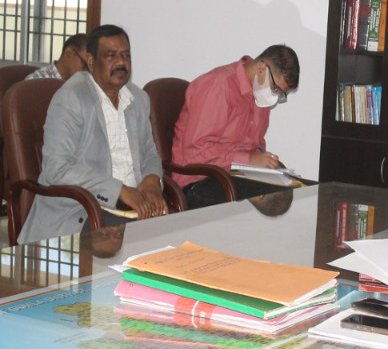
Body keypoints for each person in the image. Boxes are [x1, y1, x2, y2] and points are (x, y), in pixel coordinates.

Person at [18, 24, 166, 244]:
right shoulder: (71, 98)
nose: (121, 62)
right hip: (82, 209)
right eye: (111, 55)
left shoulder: (138, 98)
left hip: (131, 206)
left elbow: (150, 153)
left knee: (174, 232)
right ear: (91, 61)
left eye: (126, 55)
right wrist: (119, 191)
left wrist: (153, 179)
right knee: (142, 241)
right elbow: (57, 170)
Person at [170, 45, 300, 209]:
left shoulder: (260, 95)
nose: (275, 97)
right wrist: (250, 161)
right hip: (199, 179)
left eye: (281, 94)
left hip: (236, 172)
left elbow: (255, 143)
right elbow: (196, 152)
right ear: (261, 69)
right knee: (270, 194)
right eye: (276, 89)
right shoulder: (217, 85)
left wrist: (265, 161)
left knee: (289, 188)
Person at [26, 33, 91, 81]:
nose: (87, 72)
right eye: (84, 65)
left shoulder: (82, 84)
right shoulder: (36, 81)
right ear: (69, 53)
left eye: (89, 68)